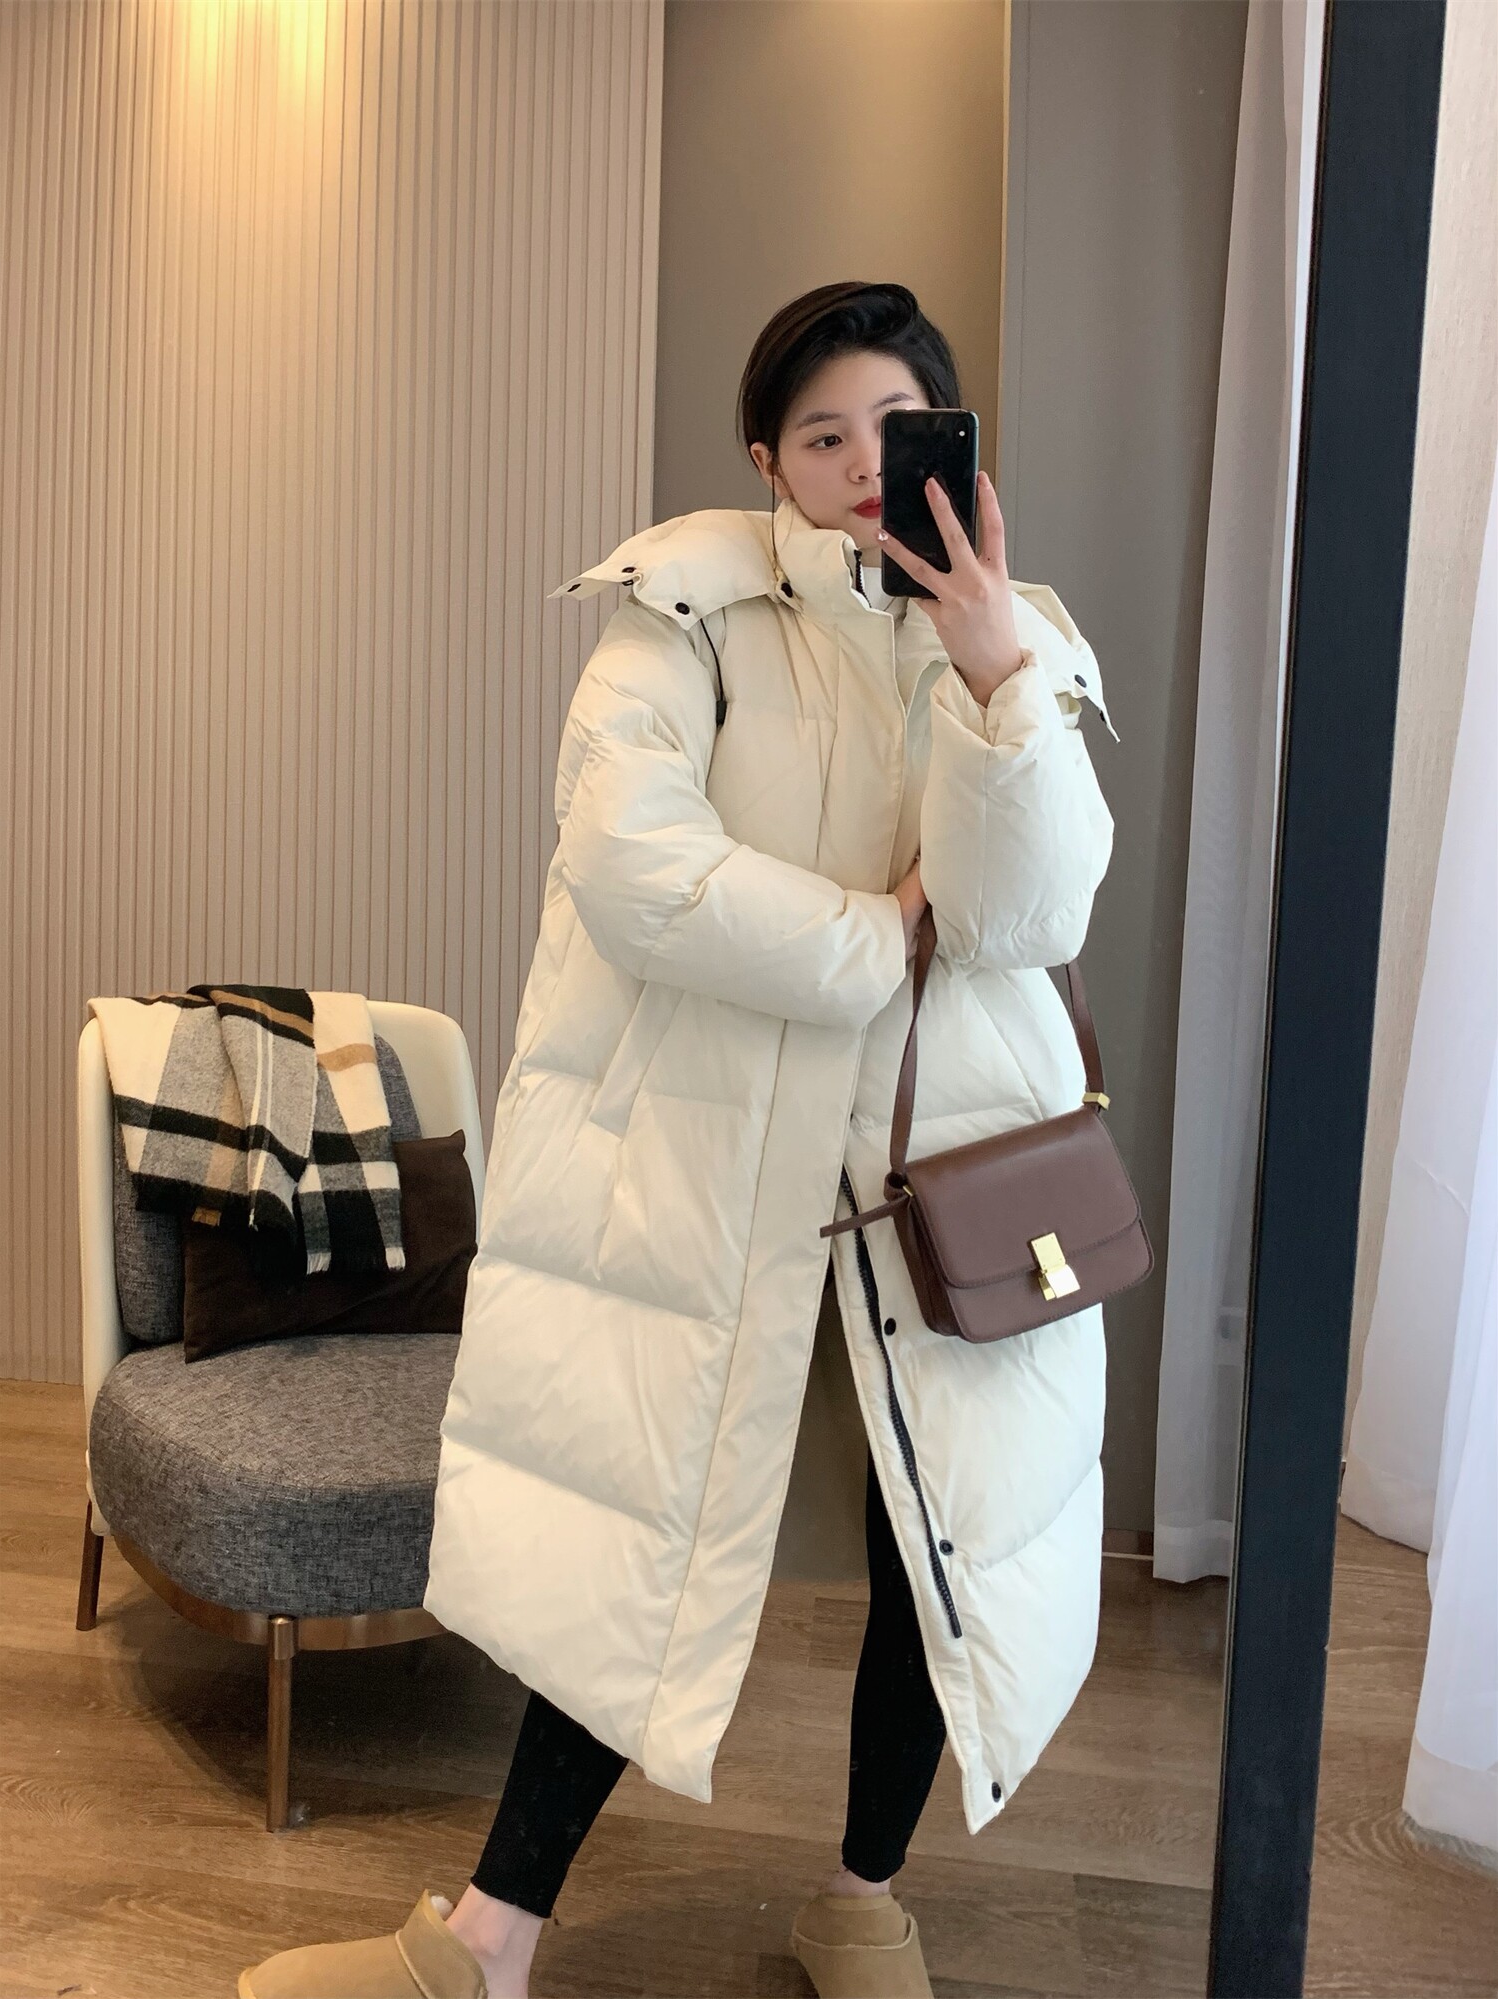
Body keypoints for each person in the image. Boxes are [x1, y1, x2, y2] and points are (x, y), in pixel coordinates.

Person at [240, 281, 1118, 1999]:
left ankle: (862, 1902)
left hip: (942, 1186)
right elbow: (632, 869)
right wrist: (880, 937)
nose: (861, 464)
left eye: (897, 429)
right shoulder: (683, 614)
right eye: (821, 433)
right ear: (764, 458)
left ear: (952, 442)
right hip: (712, 1171)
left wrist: (991, 666)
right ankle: (488, 1943)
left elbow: (1032, 914)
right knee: (637, 1531)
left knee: (929, 1549)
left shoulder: (1024, 638)